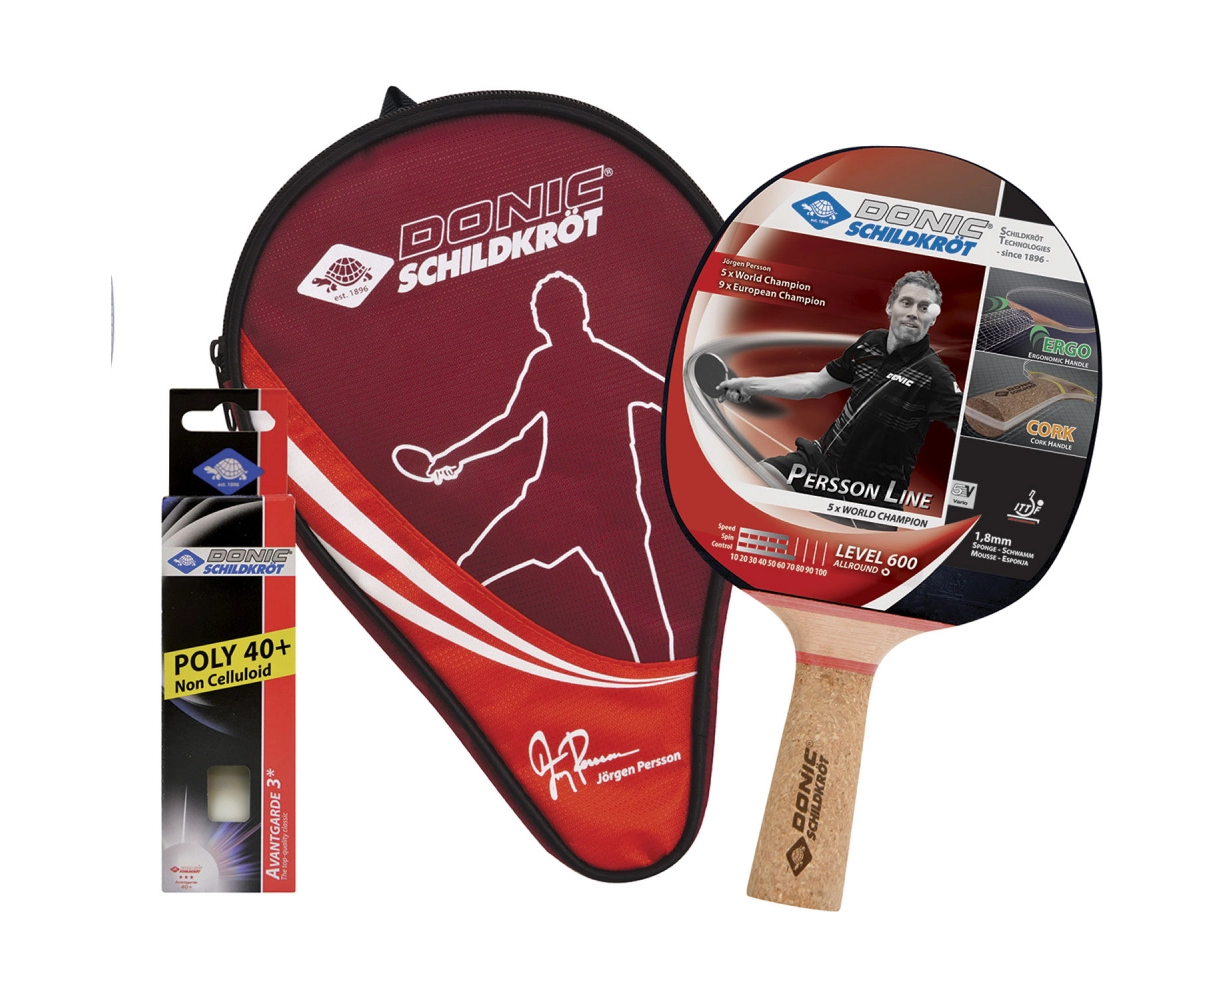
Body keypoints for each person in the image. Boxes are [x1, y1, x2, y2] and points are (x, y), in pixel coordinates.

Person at [718, 270, 962, 504]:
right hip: (819, 463)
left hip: (870, 493)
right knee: (748, 484)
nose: (913, 313)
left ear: (933, 318)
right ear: (890, 307)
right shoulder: (870, 343)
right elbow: (813, 385)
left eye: (924, 307)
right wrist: (750, 385)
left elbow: (971, 433)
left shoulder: (935, 376)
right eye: (906, 303)